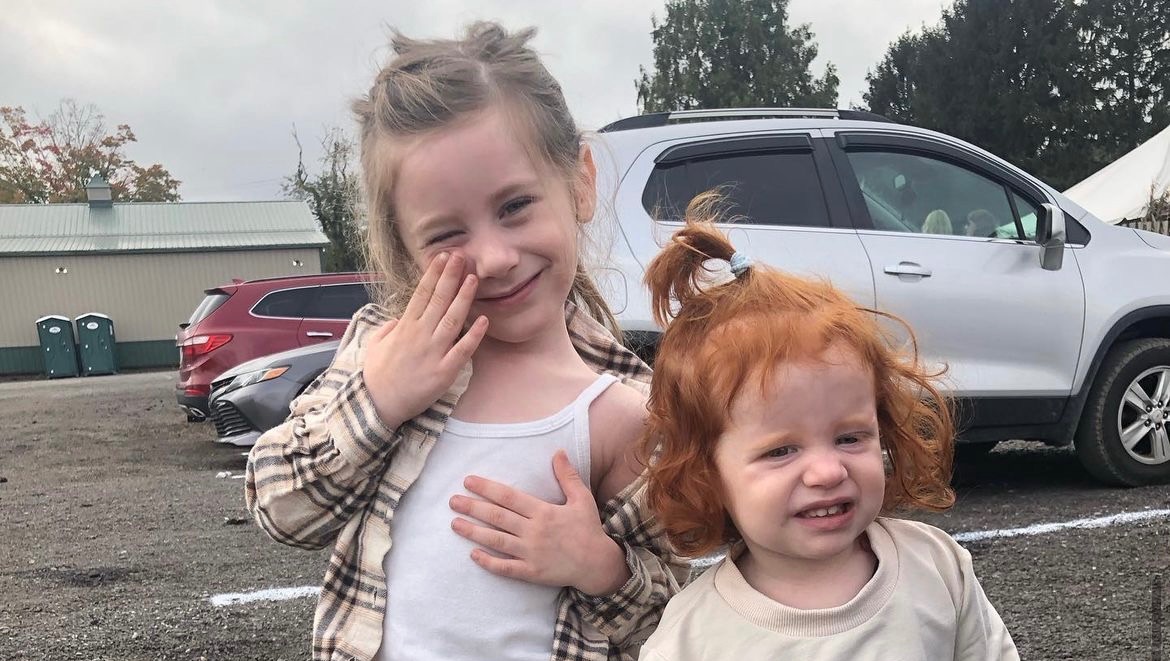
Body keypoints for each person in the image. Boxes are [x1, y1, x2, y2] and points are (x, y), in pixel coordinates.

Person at [245, 22, 686, 661]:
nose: (495, 257)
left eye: (515, 206)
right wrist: (378, 403)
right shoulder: (381, 352)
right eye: (446, 235)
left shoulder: (622, 414)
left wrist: (601, 569)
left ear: (580, 183)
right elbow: (280, 513)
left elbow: (673, 623)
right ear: (404, 247)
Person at [636, 194, 1019, 661]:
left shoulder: (936, 567)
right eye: (781, 450)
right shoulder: (691, 640)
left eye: (849, 438)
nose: (828, 471)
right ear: (706, 472)